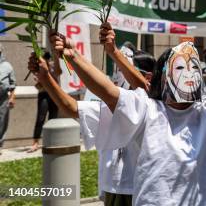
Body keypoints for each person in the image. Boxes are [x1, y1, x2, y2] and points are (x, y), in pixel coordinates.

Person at [41, 24, 206, 205]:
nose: (189, 73)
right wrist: (74, 56)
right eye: (180, 67)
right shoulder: (147, 108)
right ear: (163, 78)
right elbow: (109, 92)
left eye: (194, 67)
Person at [28, 23, 150, 206]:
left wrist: (111, 52)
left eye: (124, 67)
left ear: (148, 77)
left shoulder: (153, 103)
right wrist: (45, 78)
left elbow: (142, 89)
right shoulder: (114, 105)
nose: (117, 73)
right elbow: (72, 107)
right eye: (116, 67)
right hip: (113, 189)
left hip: (139, 191)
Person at [27, 52, 59, 153]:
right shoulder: (40, 68)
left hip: (54, 95)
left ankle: (50, 141)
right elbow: (37, 85)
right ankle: (35, 143)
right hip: (44, 94)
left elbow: (59, 75)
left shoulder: (54, 67)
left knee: (53, 119)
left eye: (48, 59)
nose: (47, 60)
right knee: (40, 118)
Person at [0, 43, 16, 154]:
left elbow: (13, 84)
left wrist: (12, 98)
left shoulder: (7, 66)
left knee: (2, 121)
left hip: (3, 98)